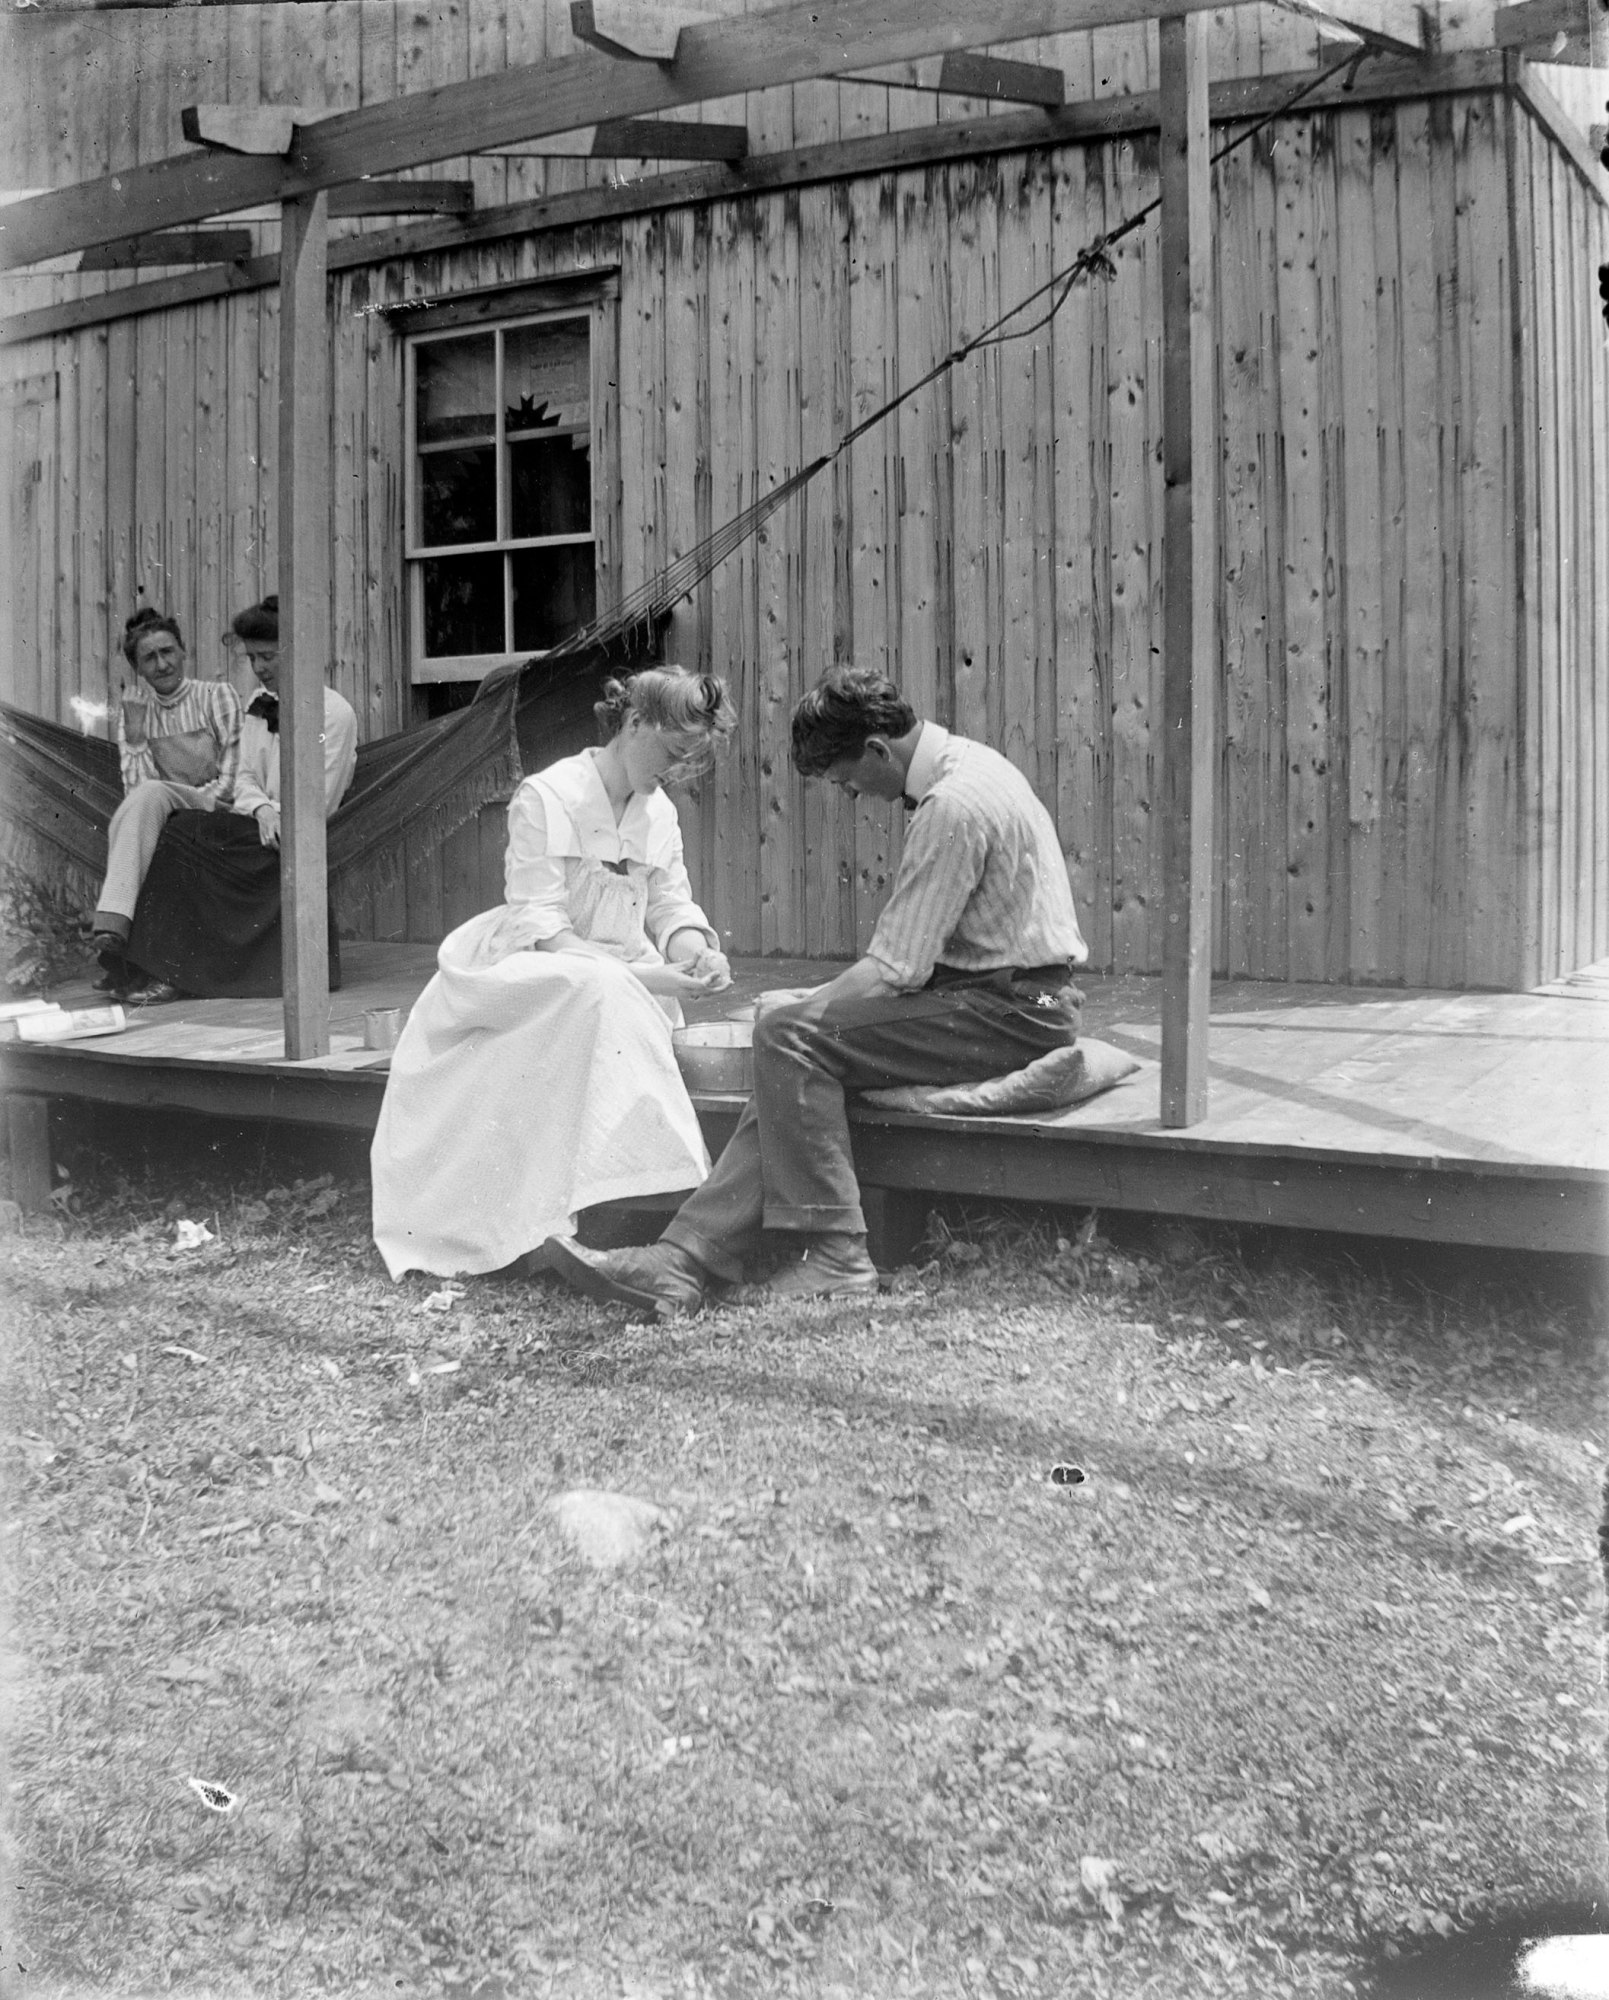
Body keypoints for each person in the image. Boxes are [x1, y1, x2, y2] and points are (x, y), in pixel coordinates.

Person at [544, 666, 1089, 1316]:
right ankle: (681, 1261)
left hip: (1013, 1011)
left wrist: (803, 1006)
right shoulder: (973, 764)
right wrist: (813, 1003)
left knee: (788, 1034)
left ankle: (835, 1256)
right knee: (793, 1048)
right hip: (1005, 997)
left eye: (845, 780)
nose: (853, 794)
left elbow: (894, 969)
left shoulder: (952, 806)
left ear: (877, 750)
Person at [370, 666, 737, 1281]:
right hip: (539, 968)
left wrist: (698, 950)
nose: (676, 770)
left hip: (619, 974)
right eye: (672, 752)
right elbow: (545, 930)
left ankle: (635, 1207)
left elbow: (670, 905)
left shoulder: (659, 813)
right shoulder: (548, 795)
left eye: (687, 759)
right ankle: (557, 1220)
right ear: (635, 722)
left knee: (613, 993)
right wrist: (650, 980)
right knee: (600, 989)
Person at [119, 596, 358, 1002]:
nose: (259, 668)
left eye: (268, 657)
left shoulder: (334, 714)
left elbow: (320, 797)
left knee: (183, 836)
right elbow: (244, 779)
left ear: (296, 651)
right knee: (178, 827)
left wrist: (275, 814)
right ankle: (161, 968)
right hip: (258, 824)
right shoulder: (257, 705)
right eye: (252, 658)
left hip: (301, 834)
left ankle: (166, 972)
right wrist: (262, 810)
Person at [91, 607, 243, 994]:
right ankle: (129, 951)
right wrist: (136, 733)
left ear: (183, 651)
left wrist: (176, 806)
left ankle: (113, 922)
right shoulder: (136, 714)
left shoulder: (217, 696)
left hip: (221, 814)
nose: (162, 664)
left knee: (153, 795)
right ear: (137, 669)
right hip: (167, 822)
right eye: (149, 658)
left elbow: (232, 782)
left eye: (168, 652)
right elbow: (135, 795)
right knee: (142, 805)